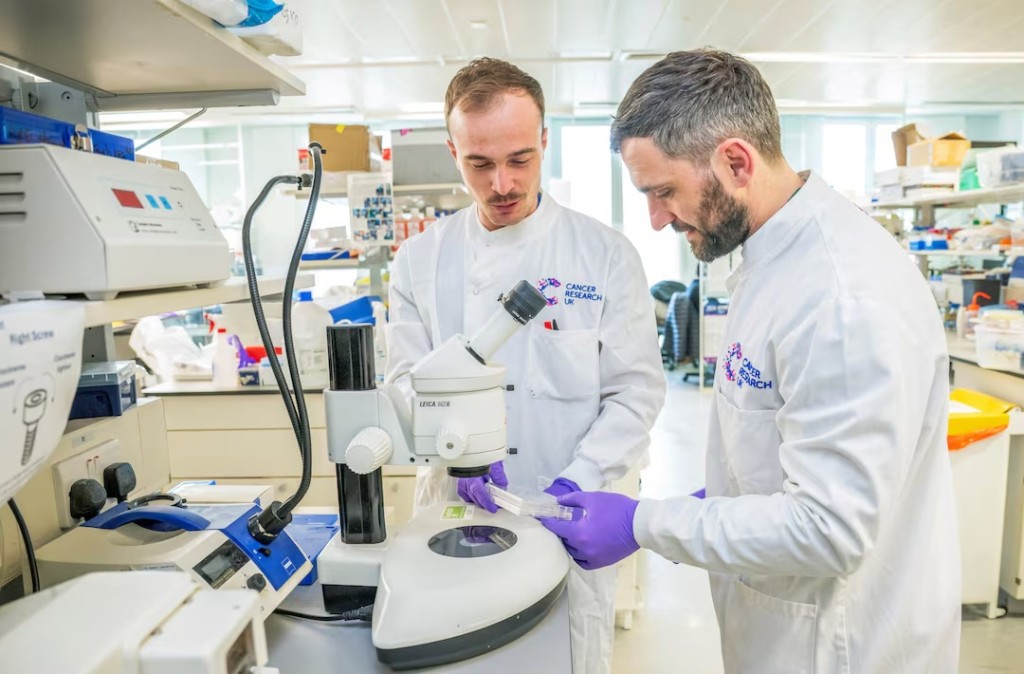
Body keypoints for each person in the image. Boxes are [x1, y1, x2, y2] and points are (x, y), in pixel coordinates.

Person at [542, 49, 961, 673]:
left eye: (664, 192)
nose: (657, 220)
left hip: (838, 646)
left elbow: (829, 528)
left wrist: (645, 524)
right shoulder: (770, 258)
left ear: (735, 161)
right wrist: (709, 505)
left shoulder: (841, 298)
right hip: (781, 629)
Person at [384, 57, 666, 674]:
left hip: (572, 512)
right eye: (480, 164)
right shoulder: (418, 262)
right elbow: (404, 385)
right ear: (452, 150)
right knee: (456, 654)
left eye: (519, 159)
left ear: (545, 141)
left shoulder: (605, 256)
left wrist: (579, 479)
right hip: (456, 511)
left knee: (568, 656)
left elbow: (636, 393)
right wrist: (451, 454)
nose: (503, 184)